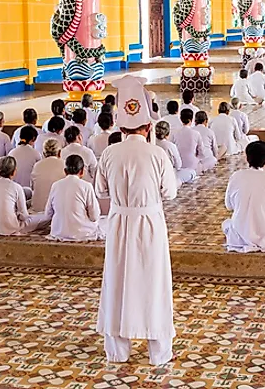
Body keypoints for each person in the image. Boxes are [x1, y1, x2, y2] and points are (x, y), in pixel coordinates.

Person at [95, 75, 178, 365]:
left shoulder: (108, 153)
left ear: (120, 125)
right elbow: (170, 192)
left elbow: (100, 190)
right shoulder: (157, 154)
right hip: (150, 223)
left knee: (118, 280)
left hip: (118, 222)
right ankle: (158, 352)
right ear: (147, 126)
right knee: (153, 282)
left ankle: (117, 350)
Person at [0, 157, 49, 235]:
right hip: (10, 228)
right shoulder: (16, 187)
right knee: (44, 217)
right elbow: (24, 216)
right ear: (14, 171)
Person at [45, 155, 105, 241]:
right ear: (82, 171)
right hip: (83, 234)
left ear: (65, 171)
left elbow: (48, 215)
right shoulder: (86, 186)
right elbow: (94, 216)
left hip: (58, 232)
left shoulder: (55, 185)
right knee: (105, 223)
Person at [31, 138, 67, 213]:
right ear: (60, 153)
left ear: (43, 153)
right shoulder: (64, 164)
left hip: (38, 209)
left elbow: (33, 187)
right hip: (58, 210)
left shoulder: (37, 165)